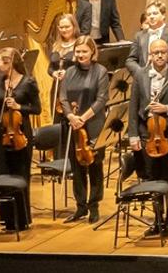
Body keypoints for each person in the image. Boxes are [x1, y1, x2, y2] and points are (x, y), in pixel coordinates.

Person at [129, 36, 168, 238]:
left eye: (163, 52)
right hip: (147, 135)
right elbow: (133, 107)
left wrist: (167, 108)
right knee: (152, 177)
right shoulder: (140, 76)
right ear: (150, 55)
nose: (160, 55)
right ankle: (157, 220)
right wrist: (133, 135)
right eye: (156, 52)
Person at [0, 46, 40, 232]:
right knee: (3, 174)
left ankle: (22, 219)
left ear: (10, 64)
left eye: (0, 62)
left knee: (21, 175)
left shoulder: (28, 82)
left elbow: (36, 109)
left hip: (21, 134)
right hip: (1, 134)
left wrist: (19, 106)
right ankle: (6, 219)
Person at [53, 36, 107, 223]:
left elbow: (101, 100)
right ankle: (80, 206)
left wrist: (82, 118)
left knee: (95, 166)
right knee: (77, 167)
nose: (81, 54)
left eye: (84, 51)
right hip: (72, 124)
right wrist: (70, 116)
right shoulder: (68, 72)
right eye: (78, 51)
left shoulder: (100, 71)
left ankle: (94, 206)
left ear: (92, 52)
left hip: (93, 124)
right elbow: (63, 97)